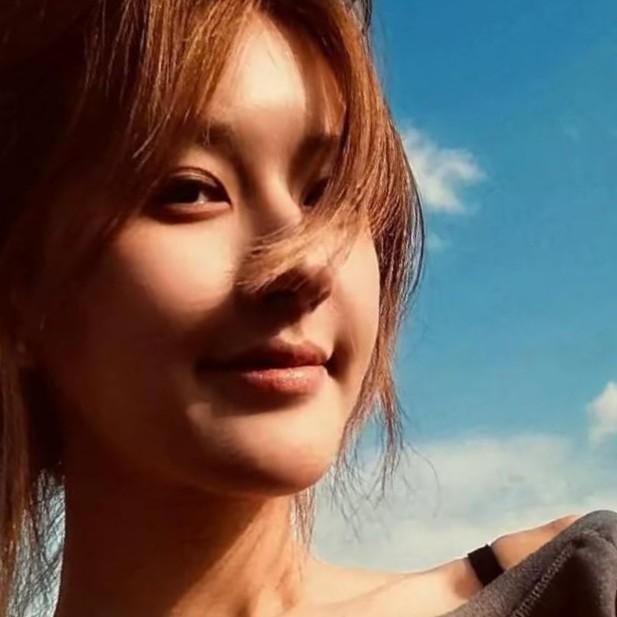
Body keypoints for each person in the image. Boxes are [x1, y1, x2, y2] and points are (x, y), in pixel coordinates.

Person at [0, 1, 589, 616]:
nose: (304, 260)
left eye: (329, 193)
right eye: (190, 191)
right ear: (20, 287)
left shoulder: (572, 593)